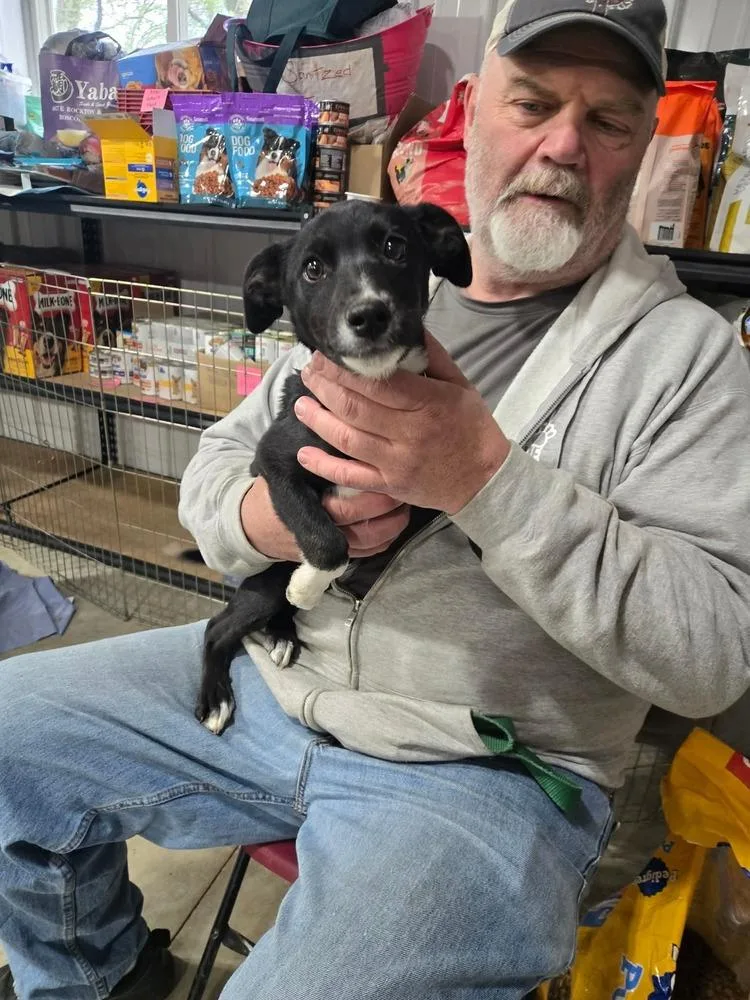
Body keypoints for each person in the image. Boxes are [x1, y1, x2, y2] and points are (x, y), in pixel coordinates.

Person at [2, 0, 750, 997]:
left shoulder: (688, 359)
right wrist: (278, 525)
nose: (562, 144)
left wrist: (485, 480)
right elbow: (214, 480)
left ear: (643, 145)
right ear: (474, 111)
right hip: (280, 683)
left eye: (607, 119)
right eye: (533, 102)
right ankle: (99, 973)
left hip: (483, 766)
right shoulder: (359, 301)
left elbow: (709, 658)